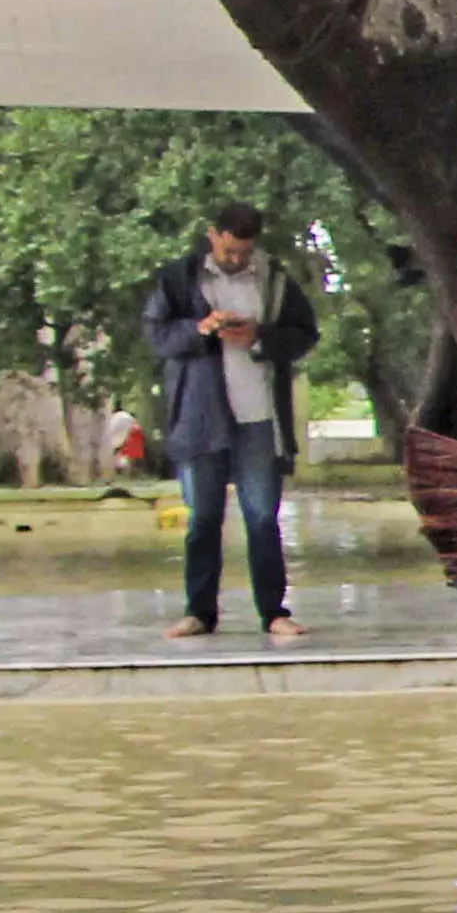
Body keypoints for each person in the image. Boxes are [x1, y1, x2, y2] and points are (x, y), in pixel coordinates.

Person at [138, 201, 322, 642]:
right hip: (201, 418)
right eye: (229, 251)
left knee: (262, 517)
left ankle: (274, 611)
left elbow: (304, 334)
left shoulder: (274, 280)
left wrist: (260, 336)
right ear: (212, 235)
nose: (236, 260)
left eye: (244, 252)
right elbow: (158, 335)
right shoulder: (179, 278)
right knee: (203, 518)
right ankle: (199, 612)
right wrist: (202, 329)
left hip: (258, 415)